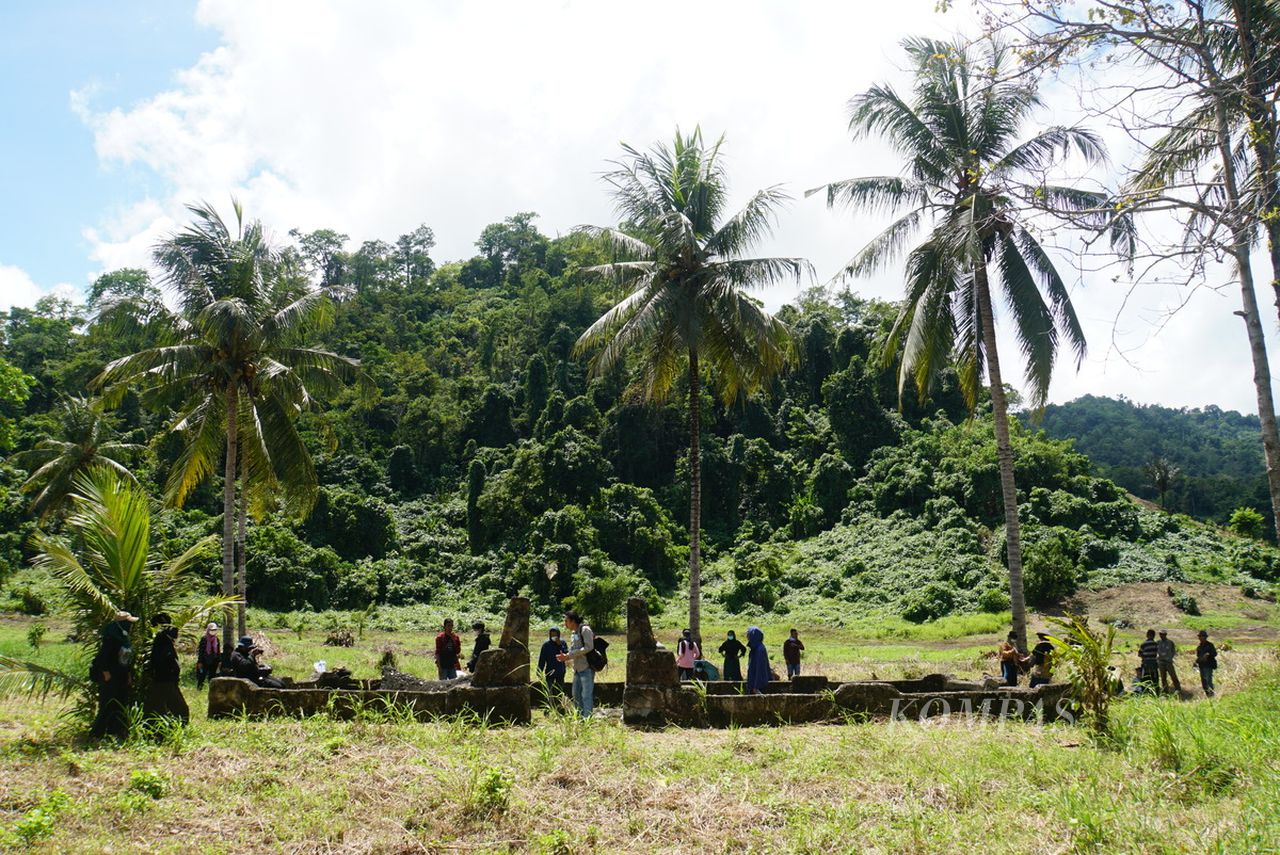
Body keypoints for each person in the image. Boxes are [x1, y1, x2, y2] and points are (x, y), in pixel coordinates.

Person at [89, 611, 138, 739]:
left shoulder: (124, 639)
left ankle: (116, 732)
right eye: (128, 623)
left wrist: (128, 675)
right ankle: (96, 734)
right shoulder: (110, 639)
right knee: (106, 705)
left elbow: (125, 661)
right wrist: (106, 674)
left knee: (119, 704)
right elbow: (102, 658)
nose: (130, 626)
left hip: (120, 676)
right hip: (110, 677)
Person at [143, 613, 189, 723]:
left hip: (165, 679)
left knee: (159, 707)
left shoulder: (163, 639)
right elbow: (164, 660)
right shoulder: (162, 639)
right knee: (180, 709)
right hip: (165, 680)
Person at [556, 611, 595, 718]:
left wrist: (570, 655)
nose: (565, 624)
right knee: (576, 695)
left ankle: (587, 719)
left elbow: (589, 647)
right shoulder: (573, 633)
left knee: (586, 695)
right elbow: (574, 650)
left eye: (566, 621)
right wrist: (566, 656)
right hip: (577, 669)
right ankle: (579, 718)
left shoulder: (585, 630)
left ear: (573, 621)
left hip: (586, 667)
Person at [537, 627, 568, 696]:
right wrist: (539, 671)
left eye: (555, 635)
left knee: (559, 691)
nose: (553, 637)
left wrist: (560, 646)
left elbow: (566, 655)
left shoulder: (563, 643)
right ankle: (550, 704)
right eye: (552, 635)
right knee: (549, 691)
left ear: (558, 635)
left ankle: (559, 705)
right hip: (550, 671)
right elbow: (542, 659)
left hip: (560, 671)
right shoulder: (546, 645)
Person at [195, 621, 221, 689]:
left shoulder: (216, 639)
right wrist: (200, 661)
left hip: (213, 661)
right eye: (211, 630)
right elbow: (201, 651)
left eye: (214, 630)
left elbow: (218, 651)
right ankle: (199, 689)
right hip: (204, 661)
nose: (213, 631)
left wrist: (219, 661)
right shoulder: (204, 639)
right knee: (201, 676)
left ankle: (211, 690)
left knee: (212, 677)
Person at [745, 626, 770, 694]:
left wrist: (756, 686)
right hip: (754, 683)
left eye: (748, 635)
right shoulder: (755, 648)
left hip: (758, 686)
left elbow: (760, 669)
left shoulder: (759, 650)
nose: (747, 637)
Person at [1156, 630, 1181, 695]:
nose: (1162, 635)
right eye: (1160, 634)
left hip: (1168, 662)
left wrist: (1170, 658)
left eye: (1163, 634)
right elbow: (1156, 651)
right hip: (1161, 662)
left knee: (1173, 675)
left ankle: (1178, 688)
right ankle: (1165, 690)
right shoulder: (1158, 642)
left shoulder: (1170, 642)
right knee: (1163, 677)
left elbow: (1173, 651)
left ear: (1166, 635)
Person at [1195, 629, 1218, 697]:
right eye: (1199, 636)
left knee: (1208, 681)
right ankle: (1208, 695)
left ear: (1205, 637)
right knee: (1204, 682)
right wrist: (1196, 661)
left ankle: (1211, 695)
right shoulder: (1199, 647)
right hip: (1202, 666)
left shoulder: (1210, 645)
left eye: (1202, 636)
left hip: (1208, 665)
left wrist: (1208, 654)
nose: (1200, 638)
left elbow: (1215, 653)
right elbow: (1198, 656)